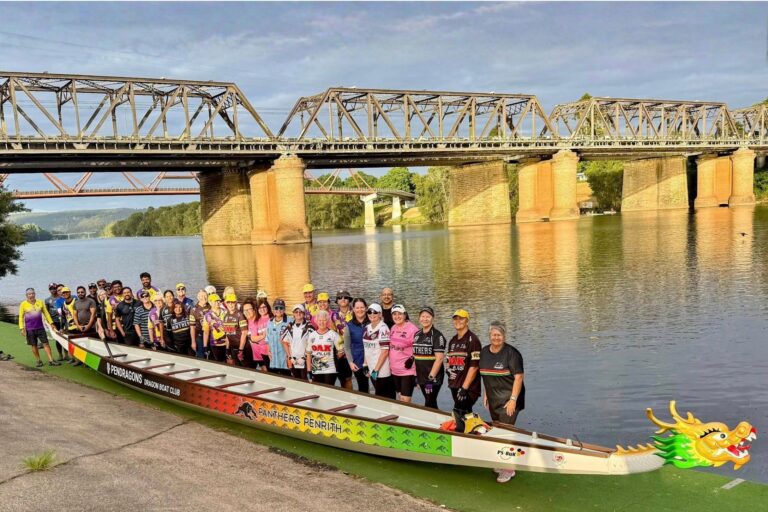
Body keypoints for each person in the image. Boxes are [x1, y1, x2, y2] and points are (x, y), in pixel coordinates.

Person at [480, 321, 525, 483]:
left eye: (499, 335)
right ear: (489, 336)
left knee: (506, 433)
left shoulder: (512, 353)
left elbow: (519, 377)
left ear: (504, 336)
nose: (496, 337)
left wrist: (513, 400)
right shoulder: (484, 352)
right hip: (493, 398)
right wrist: (486, 392)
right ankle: (502, 461)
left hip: (509, 399)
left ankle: (509, 469)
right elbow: (485, 373)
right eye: (493, 334)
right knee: (497, 430)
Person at [446, 309, 482, 429]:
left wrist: (464, 388)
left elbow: (474, 366)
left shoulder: (473, 340)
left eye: (461, 318)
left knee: (458, 411)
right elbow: (448, 360)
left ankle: (463, 436)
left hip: (468, 388)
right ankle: (474, 432)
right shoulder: (452, 340)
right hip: (455, 385)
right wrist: (448, 369)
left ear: (467, 321)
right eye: (455, 319)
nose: (458, 321)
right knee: (466, 414)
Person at [413, 306, 446, 410]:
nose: (425, 319)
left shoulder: (437, 336)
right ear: (419, 318)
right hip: (421, 376)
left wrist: (430, 379)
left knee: (429, 402)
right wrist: (416, 376)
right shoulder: (417, 334)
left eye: (428, 316)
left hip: (433, 377)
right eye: (422, 316)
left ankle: (434, 424)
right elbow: (416, 356)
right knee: (429, 402)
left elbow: (440, 359)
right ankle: (435, 423)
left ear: (433, 318)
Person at [18, 288, 60, 367]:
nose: (31, 295)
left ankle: (51, 360)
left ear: (35, 294)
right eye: (29, 294)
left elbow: (46, 313)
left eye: (32, 293)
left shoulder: (40, 302)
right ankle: (38, 361)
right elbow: (20, 317)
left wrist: (51, 323)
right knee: (34, 345)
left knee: (46, 344)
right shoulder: (23, 304)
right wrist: (21, 328)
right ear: (26, 295)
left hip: (40, 327)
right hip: (30, 329)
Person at [362, 303, 395, 399]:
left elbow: (385, 352)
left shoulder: (383, 328)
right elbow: (366, 347)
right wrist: (365, 364)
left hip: (382, 370)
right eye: (369, 312)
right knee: (379, 395)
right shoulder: (367, 327)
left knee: (383, 397)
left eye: (375, 312)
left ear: (380, 314)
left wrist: (376, 370)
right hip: (372, 367)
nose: (372, 314)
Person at [388, 304, 418, 403]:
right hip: (394, 370)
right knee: (400, 397)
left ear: (405, 315)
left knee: (405, 400)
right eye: (394, 314)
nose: (397, 316)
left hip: (407, 370)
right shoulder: (393, 328)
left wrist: (412, 358)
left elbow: (419, 349)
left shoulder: (412, 329)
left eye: (400, 314)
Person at [343, 298, 369, 392]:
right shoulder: (349, 326)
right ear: (353, 309)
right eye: (357, 308)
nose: (360, 310)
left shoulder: (372, 322)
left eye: (362, 307)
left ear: (366, 308)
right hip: (358, 361)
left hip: (373, 360)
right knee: (363, 388)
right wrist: (350, 362)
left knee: (379, 387)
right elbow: (346, 347)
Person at [305, 310, 338, 385]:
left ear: (328, 321)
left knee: (328, 389)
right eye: (320, 320)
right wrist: (309, 370)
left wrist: (328, 359)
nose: (322, 322)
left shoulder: (334, 335)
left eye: (324, 320)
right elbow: (309, 354)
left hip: (330, 369)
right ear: (316, 321)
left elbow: (341, 352)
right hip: (316, 369)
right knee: (318, 389)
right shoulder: (312, 335)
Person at [282, 304, 313, 380]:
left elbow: (312, 343)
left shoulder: (309, 326)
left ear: (304, 313)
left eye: (300, 312)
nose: (298, 313)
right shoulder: (289, 326)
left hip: (305, 360)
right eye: (296, 312)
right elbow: (283, 341)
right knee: (296, 381)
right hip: (294, 360)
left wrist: (305, 357)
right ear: (293, 313)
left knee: (306, 381)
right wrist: (289, 357)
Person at [242, 298, 270, 371]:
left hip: (263, 352)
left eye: (249, 309)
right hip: (255, 353)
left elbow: (254, 338)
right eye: (245, 310)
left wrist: (262, 336)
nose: (246, 312)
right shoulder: (246, 321)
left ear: (254, 309)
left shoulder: (258, 320)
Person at [265, 298, 290, 375]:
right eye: (276, 308)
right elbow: (268, 338)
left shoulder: (290, 321)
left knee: (286, 378)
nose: (278, 310)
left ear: (284, 309)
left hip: (285, 357)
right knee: (274, 377)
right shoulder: (269, 322)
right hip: (274, 358)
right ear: (273, 310)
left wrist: (289, 355)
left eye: (281, 308)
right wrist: (268, 351)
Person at [222, 293, 247, 365]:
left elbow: (244, 333)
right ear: (225, 303)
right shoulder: (225, 315)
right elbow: (227, 334)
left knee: (245, 368)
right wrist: (227, 350)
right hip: (232, 347)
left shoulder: (240, 315)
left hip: (241, 347)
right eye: (228, 302)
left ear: (236, 303)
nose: (230, 304)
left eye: (232, 302)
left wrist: (241, 349)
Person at [202, 294, 228, 361]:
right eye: (215, 301)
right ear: (210, 302)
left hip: (227, 343)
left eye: (218, 301)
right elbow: (206, 332)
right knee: (218, 363)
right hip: (215, 344)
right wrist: (205, 346)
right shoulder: (207, 315)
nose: (217, 303)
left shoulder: (226, 312)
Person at [44, 283, 65, 361]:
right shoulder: (47, 300)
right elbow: (46, 312)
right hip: (54, 321)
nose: (53, 290)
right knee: (58, 338)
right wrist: (48, 322)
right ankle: (60, 355)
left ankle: (66, 355)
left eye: (54, 288)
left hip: (62, 320)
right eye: (51, 289)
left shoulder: (62, 297)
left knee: (65, 337)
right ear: (49, 290)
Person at [189, 290, 210, 359]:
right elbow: (192, 328)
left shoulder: (210, 307)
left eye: (205, 296)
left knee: (211, 356)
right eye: (201, 296)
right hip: (200, 336)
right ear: (198, 298)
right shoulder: (194, 310)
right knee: (201, 356)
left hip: (211, 335)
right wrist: (193, 341)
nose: (203, 298)